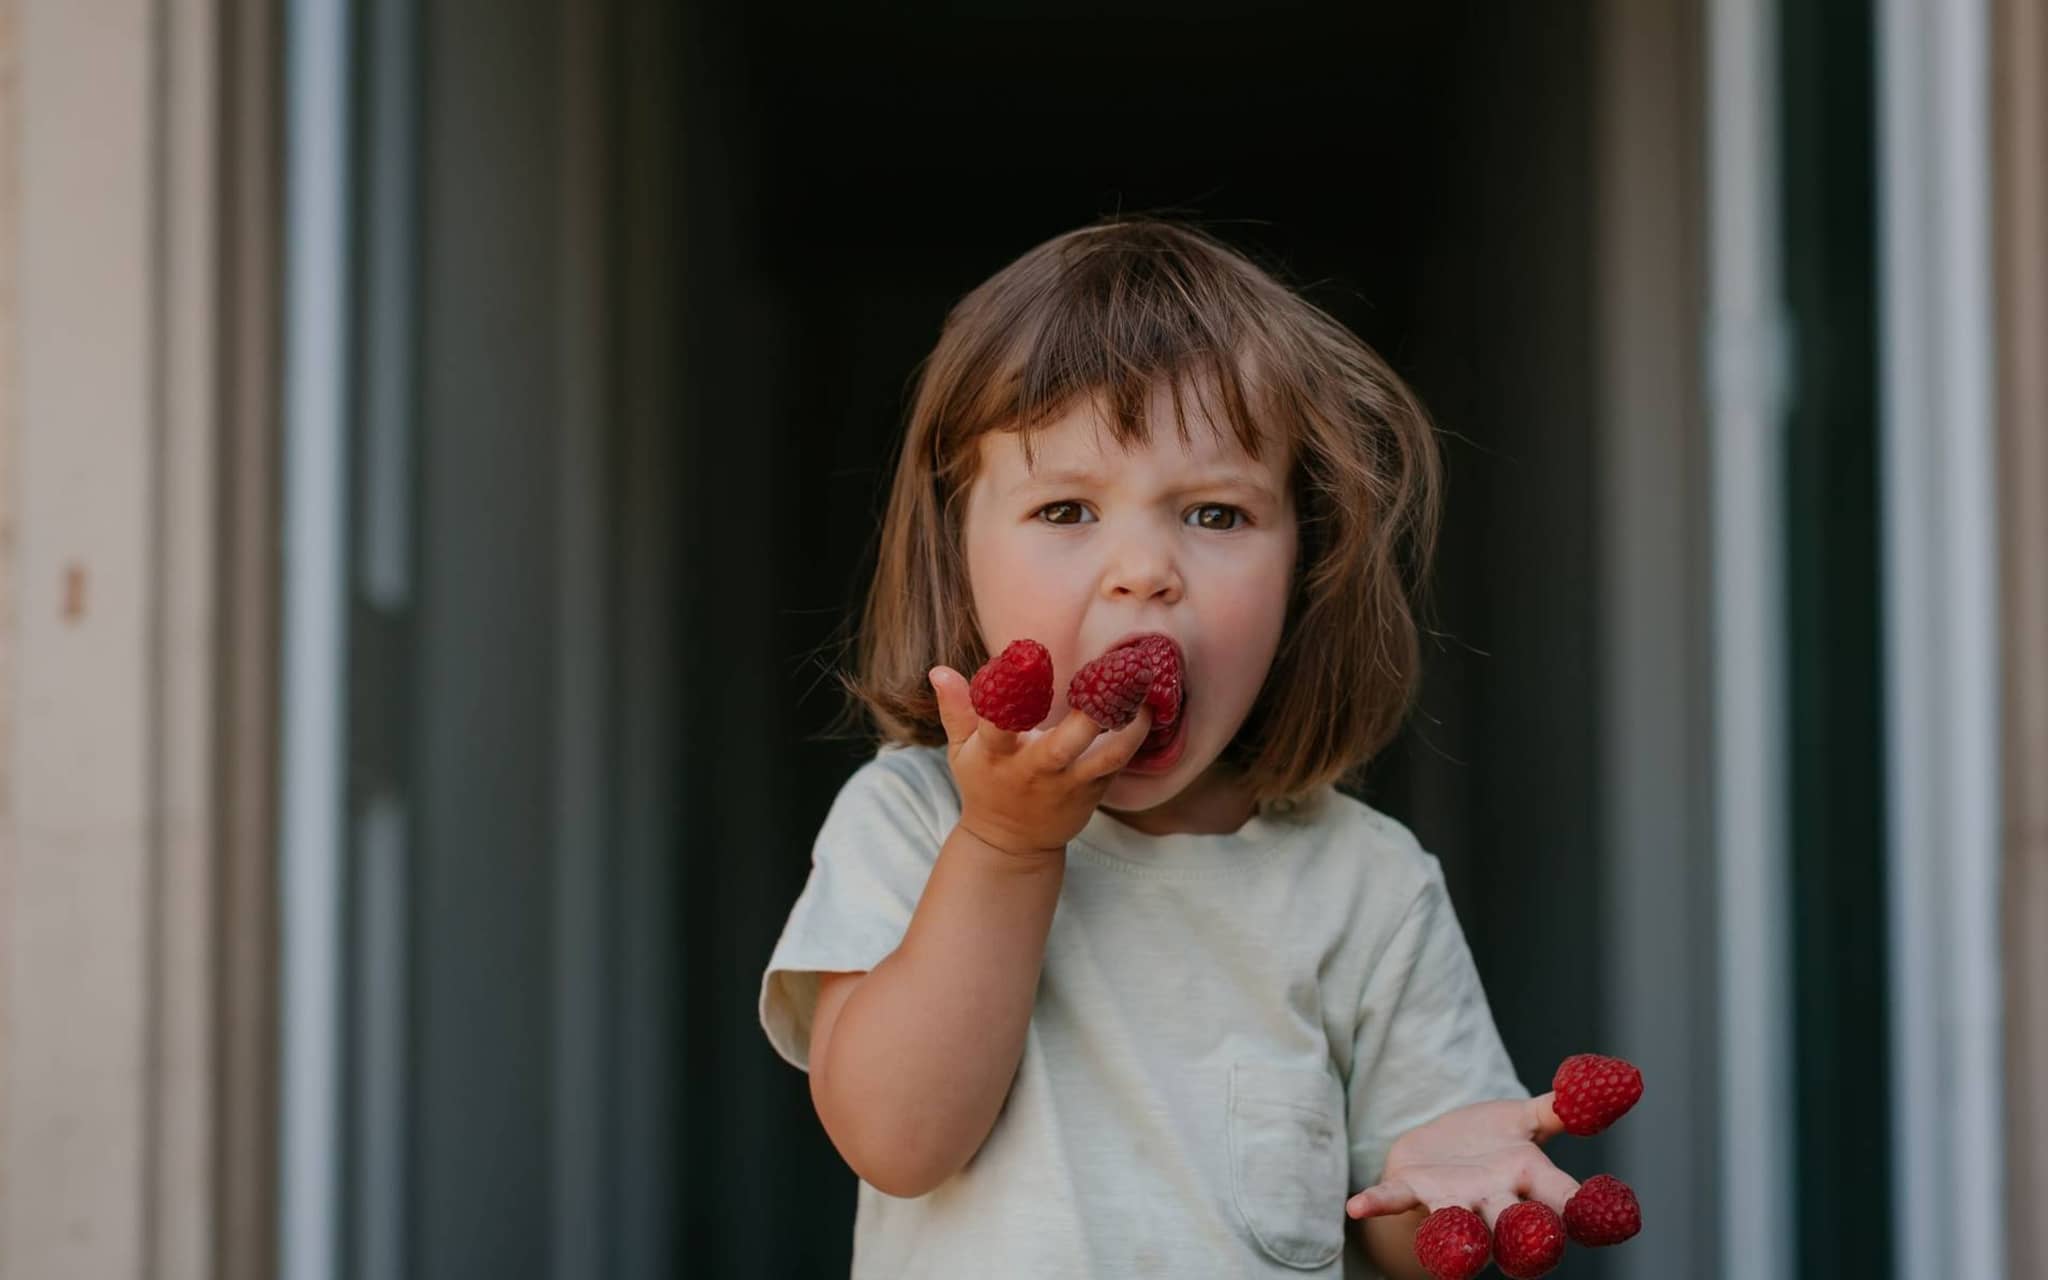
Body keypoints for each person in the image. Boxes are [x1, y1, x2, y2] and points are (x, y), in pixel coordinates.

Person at [759, 216, 1588, 1278]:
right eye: (1067, 508)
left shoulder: (1367, 885)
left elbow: (1394, 1231)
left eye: (1215, 514)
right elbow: (896, 1140)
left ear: (1306, 563)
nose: (1144, 569)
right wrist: (1007, 845)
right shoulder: (909, 821)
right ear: (956, 550)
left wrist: (1443, 1192)